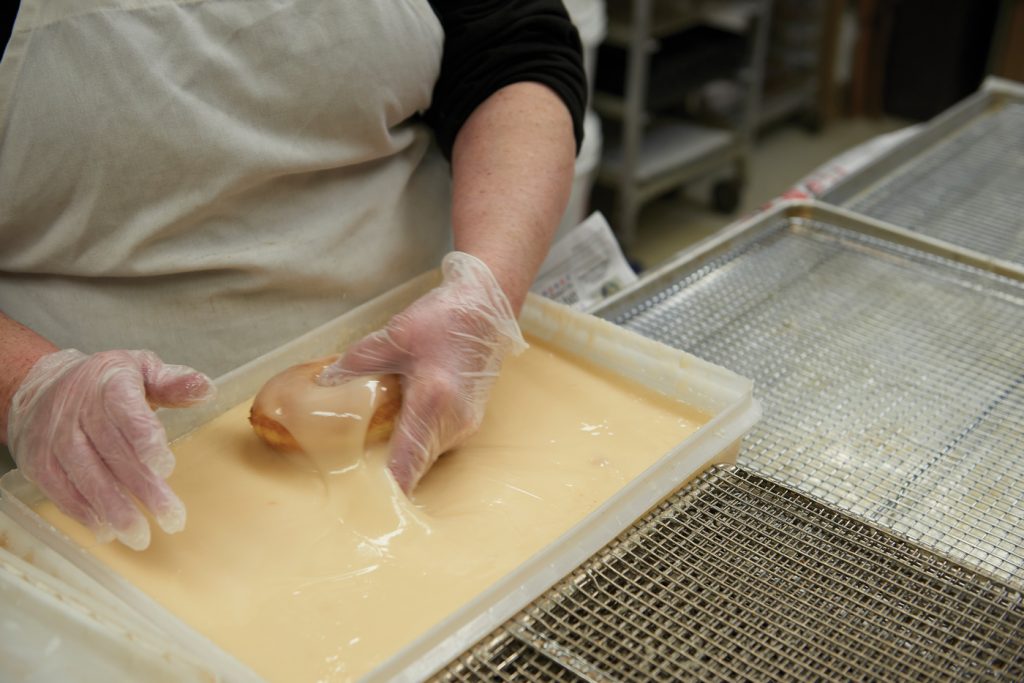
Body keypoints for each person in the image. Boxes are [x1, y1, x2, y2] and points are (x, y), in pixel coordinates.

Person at [0, 1, 586, 550]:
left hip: (441, 364)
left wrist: (486, 290)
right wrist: (29, 385)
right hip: (112, 467)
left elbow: (515, 50)